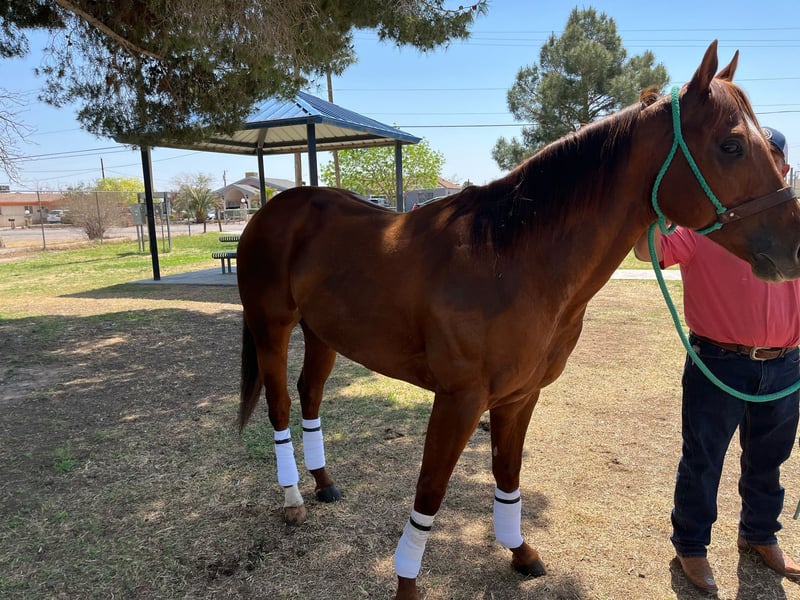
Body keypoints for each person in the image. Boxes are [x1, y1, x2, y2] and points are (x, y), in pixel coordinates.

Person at [633, 127, 800, 594]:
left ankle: (760, 535)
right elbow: (646, 250)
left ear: (782, 169)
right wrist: (656, 208)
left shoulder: (794, 227)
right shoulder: (705, 225)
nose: (761, 165)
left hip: (785, 365)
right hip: (718, 364)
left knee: (770, 459)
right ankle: (691, 546)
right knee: (703, 460)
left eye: (770, 157)